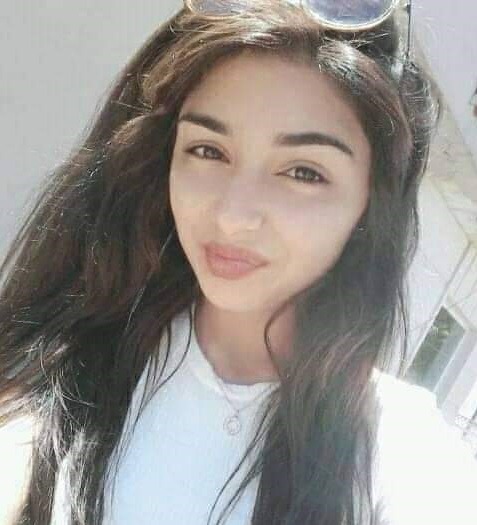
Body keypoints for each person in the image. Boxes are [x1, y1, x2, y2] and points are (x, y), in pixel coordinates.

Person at [0, 1, 476, 524]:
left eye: (303, 172)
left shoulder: (402, 456)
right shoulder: (69, 369)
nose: (232, 217)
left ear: (371, 202)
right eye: (208, 151)